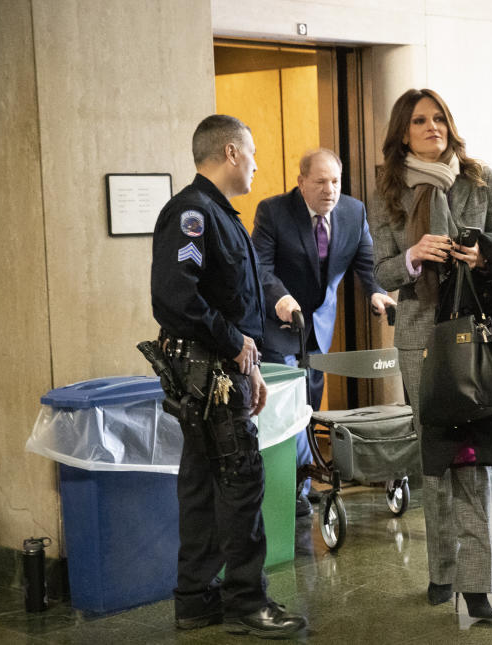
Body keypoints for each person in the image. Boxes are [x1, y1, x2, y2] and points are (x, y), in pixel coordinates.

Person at [150, 114, 306, 637]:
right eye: (254, 153)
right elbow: (177, 294)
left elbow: (230, 299)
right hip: (207, 369)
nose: (259, 165)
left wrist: (250, 362)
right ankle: (246, 601)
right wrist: (234, 342)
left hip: (219, 369)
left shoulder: (217, 215)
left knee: (203, 481)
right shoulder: (194, 214)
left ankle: (195, 599)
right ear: (232, 152)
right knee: (239, 481)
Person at [371, 88, 492, 620]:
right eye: (421, 121)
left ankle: (476, 585)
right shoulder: (385, 190)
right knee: (435, 457)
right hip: (418, 333)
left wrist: (482, 255)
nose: (433, 128)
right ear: (404, 132)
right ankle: (441, 570)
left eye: (440, 119)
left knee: (470, 458)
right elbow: (381, 271)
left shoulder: (479, 178)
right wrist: (411, 256)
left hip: (473, 331)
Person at [251, 148, 395, 516]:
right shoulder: (274, 211)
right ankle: (291, 490)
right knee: (287, 405)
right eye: (320, 182)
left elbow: (367, 263)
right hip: (279, 323)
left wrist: (377, 293)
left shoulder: (353, 211)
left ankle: (305, 479)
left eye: (335, 181)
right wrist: (280, 298)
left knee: (310, 402)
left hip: (319, 325)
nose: (329, 190)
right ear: (301, 183)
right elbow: (261, 268)